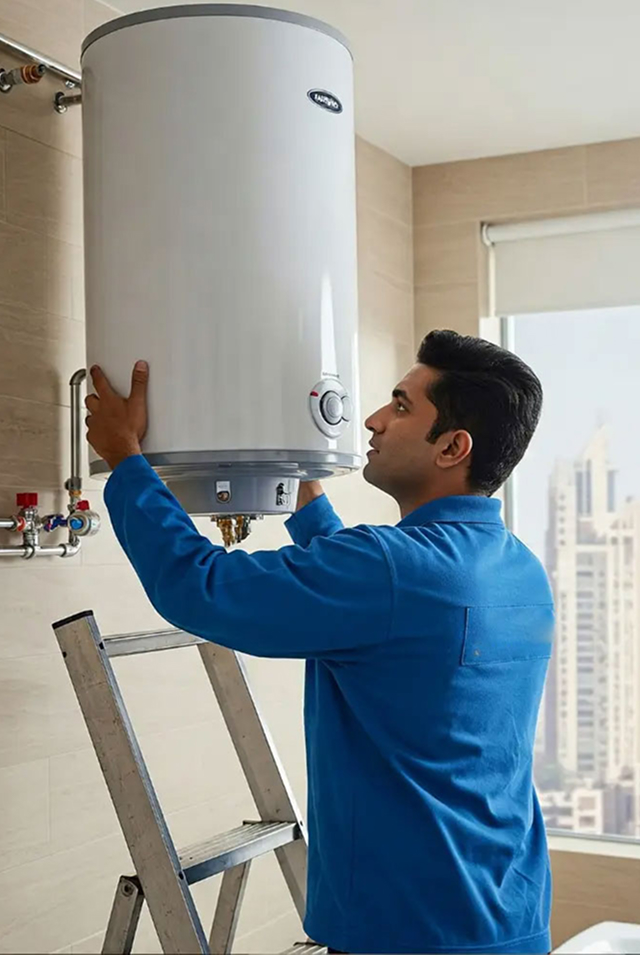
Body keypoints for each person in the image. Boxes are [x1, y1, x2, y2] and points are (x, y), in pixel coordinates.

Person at [85, 329, 553, 955]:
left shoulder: (391, 569)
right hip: (508, 914)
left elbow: (202, 588)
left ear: (452, 447)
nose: (373, 419)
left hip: (408, 930)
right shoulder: (516, 566)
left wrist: (127, 460)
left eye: (402, 406)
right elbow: (382, 597)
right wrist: (306, 492)